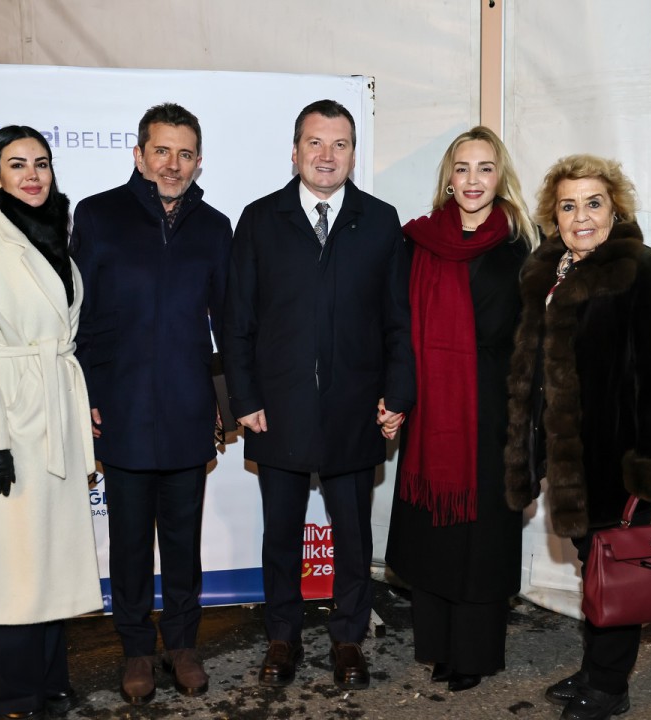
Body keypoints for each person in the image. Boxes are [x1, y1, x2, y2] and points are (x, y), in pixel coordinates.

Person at [222, 99, 416, 691]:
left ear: (353, 154)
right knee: (280, 535)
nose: (327, 155)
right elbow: (237, 321)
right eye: (315, 142)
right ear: (295, 150)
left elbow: (398, 322)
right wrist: (243, 398)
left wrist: (397, 394)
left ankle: (348, 638)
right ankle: (281, 638)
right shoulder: (260, 219)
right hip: (276, 410)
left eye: (340, 144)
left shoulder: (380, 221)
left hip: (355, 410)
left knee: (354, 538)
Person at [504, 154, 651, 720]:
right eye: (568, 206)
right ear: (553, 216)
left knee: (616, 570)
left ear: (616, 209)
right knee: (594, 566)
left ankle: (610, 687)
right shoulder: (550, 272)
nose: (581, 216)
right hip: (569, 459)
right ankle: (596, 670)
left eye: (593, 203)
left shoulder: (646, 271)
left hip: (619, 459)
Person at [71, 103, 232, 705]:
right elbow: (78, 318)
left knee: (184, 543)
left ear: (198, 161)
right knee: (131, 543)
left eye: (184, 154)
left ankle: (183, 645)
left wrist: (225, 404)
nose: (172, 164)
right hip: (123, 408)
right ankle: (137, 649)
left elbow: (228, 324)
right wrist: (88, 394)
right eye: (161, 151)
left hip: (189, 408)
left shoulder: (215, 227)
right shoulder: (98, 216)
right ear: (139, 155)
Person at [0, 125, 101, 719]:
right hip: (9, 420)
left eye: (41, 163)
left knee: (48, 559)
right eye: (17, 164)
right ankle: (6, 697)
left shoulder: (51, 235)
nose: (33, 175)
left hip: (52, 411)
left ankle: (48, 682)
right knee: (9, 565)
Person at [386, 126, 538, 693]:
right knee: (434, 533)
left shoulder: (522, 245)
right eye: (463, 167)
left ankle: (473, 653)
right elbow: (398, 327)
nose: (473, 179)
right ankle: (437, 647)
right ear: (449, 178)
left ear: (501, 177)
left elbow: (535, 340)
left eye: (485, 168)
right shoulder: (418, 242)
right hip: (432, 409)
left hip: (495, 413)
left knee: (483, 537)